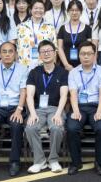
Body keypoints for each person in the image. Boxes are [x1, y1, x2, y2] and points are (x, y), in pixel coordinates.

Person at [0, 41, 29, 177]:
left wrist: (19, 110)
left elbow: (23, 91)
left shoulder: (22, 69)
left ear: (15, 54)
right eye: (4, 51)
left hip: (15, 107)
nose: (7, 54)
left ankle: (14, 162)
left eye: (10, 51)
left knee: (17, 125)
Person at [25, 40, 69, 174]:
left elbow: (64, 95)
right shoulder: (34, 72)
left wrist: (58, 114)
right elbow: (29, 95)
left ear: (55, 53)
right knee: (30, 128)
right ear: (39, 55)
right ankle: (39, 161)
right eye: (43, 51)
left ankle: (53, 160)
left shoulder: (62, 72)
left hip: (55, 109)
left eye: (49, 51)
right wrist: (32, 114)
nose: (46, 53)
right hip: (38, 109)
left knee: (56, 127)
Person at [66, 41, 101, 175]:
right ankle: (76, 162)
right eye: (83, 54)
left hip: (96, 106)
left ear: (94, 55)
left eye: (89, 53)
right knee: (72, 128)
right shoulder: (73, 72)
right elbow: (73, 94)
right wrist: (75, 111)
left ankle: (99, 163)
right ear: (79, 55)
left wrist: (100, 111)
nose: (86, 56)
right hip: (79, 106)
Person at [16, 0, 56, 68]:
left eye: (41, 8)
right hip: (24, 65)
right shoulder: (21, 26)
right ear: (30, 10)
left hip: (44, 66)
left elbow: (55, 49)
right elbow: (16, 47)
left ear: (44, 11)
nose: (38, 10)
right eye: (36, 8)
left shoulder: (50, 27)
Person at [57, 0, 92, 71]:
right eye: (72, 10)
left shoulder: (87, 28)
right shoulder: (62, 28)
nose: (74, 12)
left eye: (77, 10)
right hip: (65, 66)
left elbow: (89, 48)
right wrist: (66, 65)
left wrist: (83, 64)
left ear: (81, 12)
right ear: (68, 11)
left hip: (83, 66)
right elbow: (60, 48)